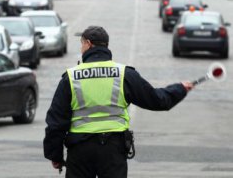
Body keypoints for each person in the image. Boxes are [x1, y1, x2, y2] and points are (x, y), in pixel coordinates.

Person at [43, 26, 194, 178]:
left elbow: (56, 121)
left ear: (88, 44)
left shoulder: (71, 77)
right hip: (113, 149)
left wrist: (55, 155)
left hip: (80, 150)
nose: (81, 48)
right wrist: (180, 88)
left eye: (81, 44)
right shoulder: (123, 74)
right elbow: (157, 100)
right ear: (106, 46)